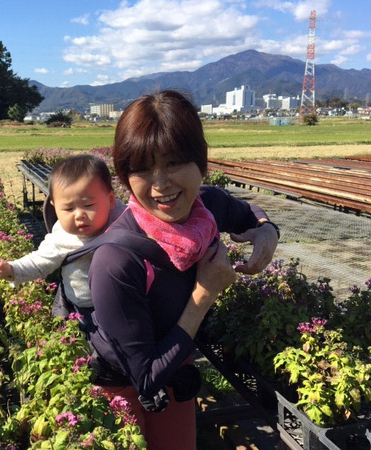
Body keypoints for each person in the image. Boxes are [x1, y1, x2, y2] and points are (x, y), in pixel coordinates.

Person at [85, 90, 279, 450]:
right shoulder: (116, 260)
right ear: (125, 177)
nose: (160, 185)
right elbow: (145, 377)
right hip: (123, 380)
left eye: (174, 163)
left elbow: (248, 213)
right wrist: (204, 294)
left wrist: (267, 231)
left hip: (176, 358)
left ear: (201, 164)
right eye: (142, 169)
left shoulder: (207, 208)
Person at [0, 154, 125, 318]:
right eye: (68, 209)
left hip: (127, 303)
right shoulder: (62, 236)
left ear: (110, 200)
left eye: (88, 205)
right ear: (55, 207)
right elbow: (38, 262)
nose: (79, 215)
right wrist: (10, 270)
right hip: (87, 310)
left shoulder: (124, 219)